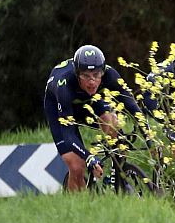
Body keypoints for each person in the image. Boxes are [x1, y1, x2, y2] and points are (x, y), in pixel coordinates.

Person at [43, 44, 144, 192]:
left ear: (102, 72)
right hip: (60, 108)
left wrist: (147, 133)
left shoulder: (109, 74)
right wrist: (88, 156)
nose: (92, 81)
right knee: (77, 166)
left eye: (96, 75)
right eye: (86, 76)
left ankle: (119, 178)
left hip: (89, 101)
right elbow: (68, 133)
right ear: (77, 74)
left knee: (114, 124)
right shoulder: (64, 85)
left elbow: (131, 104)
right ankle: (78, 205)